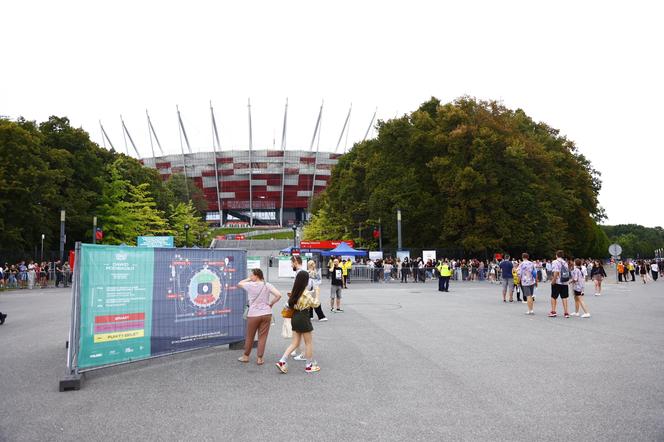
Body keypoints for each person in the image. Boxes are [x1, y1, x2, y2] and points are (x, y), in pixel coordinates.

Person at [276, 271, 321, 374]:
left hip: (295, 317)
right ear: (305, 281)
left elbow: (287, 305)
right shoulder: (305, 293)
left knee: (295, 342)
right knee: (308, 343)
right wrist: (317, 294)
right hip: (303, 316)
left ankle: (282, 361)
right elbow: (316, 304)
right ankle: (309, 366)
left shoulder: (294, 292)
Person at [237, 269, 282, 365]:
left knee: (250, 336)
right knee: (263, 336)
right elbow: (278, 295)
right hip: (266, 314)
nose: (250, 277)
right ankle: (260, 358)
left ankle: (246, 356)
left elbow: (239, 283)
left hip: (253, 314)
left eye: (251, 275)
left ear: (256, 276)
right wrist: (271, 303)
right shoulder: (267, 285)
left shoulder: (249, 285)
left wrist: (248, 279)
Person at [549, 250, 571, 318]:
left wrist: (553, 280)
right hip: (564, 282)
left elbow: (556, 272)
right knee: (564, 297)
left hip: (557, 281)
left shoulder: (555, 262)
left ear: (556, 255)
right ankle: (566, 312)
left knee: (553, 297)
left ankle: (553, 311)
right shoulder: (565, 262)